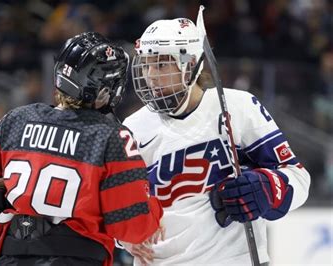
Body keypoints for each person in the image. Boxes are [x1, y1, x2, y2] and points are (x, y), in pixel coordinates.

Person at [121, 7, 311, 265]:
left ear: (189, 65)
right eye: (146, 65)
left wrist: (266, 188)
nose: (151, 76)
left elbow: (298, 178)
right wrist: (122, 235)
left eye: (162, 64)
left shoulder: (238, 107)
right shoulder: (133, 128)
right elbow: (117, 204)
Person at [0, 32, 163, 266]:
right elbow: (133, 227)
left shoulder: (15, 121)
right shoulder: (111, 136)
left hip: (11, 256)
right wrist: (154, 210)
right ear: (105, 88)